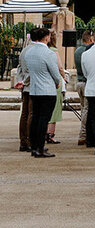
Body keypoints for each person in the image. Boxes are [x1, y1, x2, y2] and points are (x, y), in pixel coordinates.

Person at [25, 27, 61, 158]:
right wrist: (57, 81)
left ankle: (34, 146)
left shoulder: (29, 52)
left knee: (35, 118)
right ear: (46, 38)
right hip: (47, 89)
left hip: (34, 89)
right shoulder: (48, 53)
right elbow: (55, 72)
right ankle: (40, 147)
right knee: (43, 120)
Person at [73, 28, 93, 146]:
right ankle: (83, 134)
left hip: (79, 82)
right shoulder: (87, 51)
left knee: (83, 108)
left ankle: (84, 132)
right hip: (86, 82)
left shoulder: (77, 51)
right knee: (86, 109)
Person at [45, 29, 65, 144]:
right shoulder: (54, 51)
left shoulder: (44, 50)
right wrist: (64, 77)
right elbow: (60, 67)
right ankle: (51, 134)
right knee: (55, 110)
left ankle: (44, 133)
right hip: (55, 83)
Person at [16, 39, 32, 152]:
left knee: (24, 113)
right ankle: (30, 140)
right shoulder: (33, 51)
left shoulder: (24, 51)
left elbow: (19, 68)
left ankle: (23, 140)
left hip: (25, 87)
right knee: (32, 113)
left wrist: (20, 81)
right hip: (32, 86)